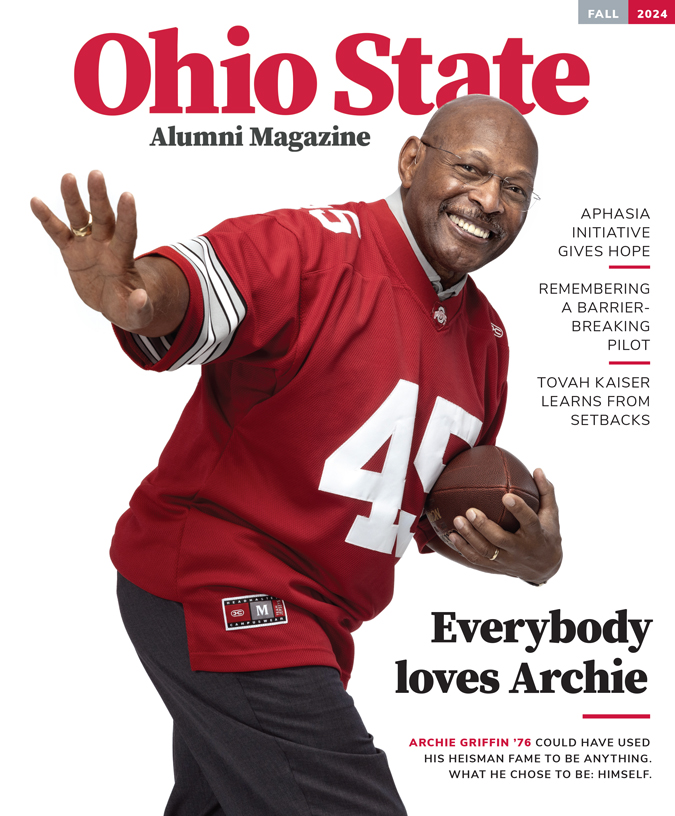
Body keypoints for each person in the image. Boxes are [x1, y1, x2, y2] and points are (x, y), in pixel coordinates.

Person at [31, 95, 562, 816]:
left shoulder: (487, 342)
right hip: (224, 586)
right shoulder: (310, 248)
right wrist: (137, 297)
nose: (488, 199)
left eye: (515, 188)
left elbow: (422, 511)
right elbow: (192, 293)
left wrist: (527, 558)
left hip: (314, 624)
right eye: (470, 168)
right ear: (411, 161)